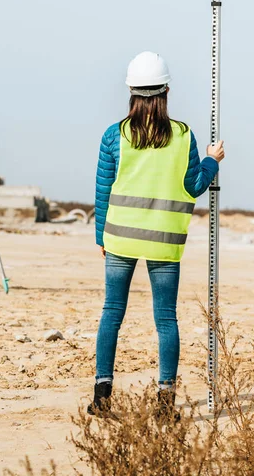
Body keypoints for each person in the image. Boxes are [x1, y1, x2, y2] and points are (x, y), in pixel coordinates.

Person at [89, 52, 225, 416]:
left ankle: (102, 398)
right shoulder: (183, 136)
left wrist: (102, 237)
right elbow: (194, 185)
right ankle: (165, 405)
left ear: (131, 91)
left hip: (120, 237)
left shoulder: (114, 135)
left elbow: (103, 190)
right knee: (166, 319)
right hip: (165, 241)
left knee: (111, 312)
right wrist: (213, 160)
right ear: (166, 90)